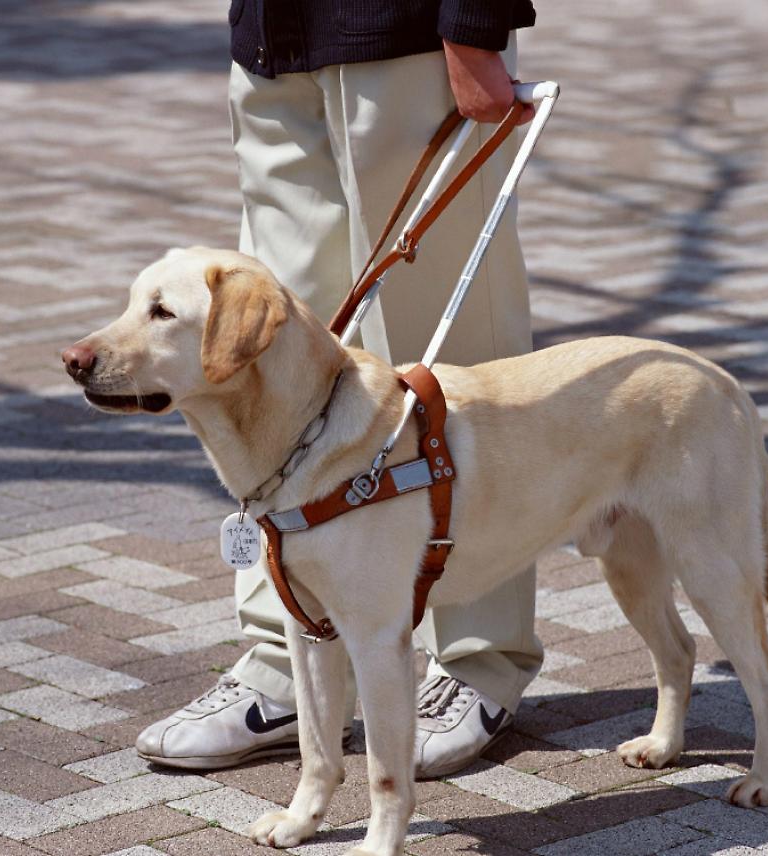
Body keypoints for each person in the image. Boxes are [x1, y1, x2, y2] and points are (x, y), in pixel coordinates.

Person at [137, 0, 543, 779]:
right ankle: (288, 658)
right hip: (274, 35)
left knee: (453, 363)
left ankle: (479, 656)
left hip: (413, 35)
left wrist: (476, 20)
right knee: (265, 356)